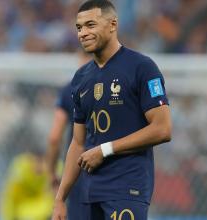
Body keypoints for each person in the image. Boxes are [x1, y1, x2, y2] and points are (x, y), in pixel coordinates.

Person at [52, 1, 172, 220]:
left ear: (112, 24)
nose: (83, 33)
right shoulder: (80, 79)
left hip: (127, 189)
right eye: (79, 28)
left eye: (90, 25)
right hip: (88, 193)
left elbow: (162, 129)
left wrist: (105, 149)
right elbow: (77, 143)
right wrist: (60, 199)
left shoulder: (142, 67)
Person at [45, 50, 91, 220]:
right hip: (110, 167)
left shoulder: (69, 90)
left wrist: (51, 174)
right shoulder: (115, 87)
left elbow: (54, 137)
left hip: (78, 167)